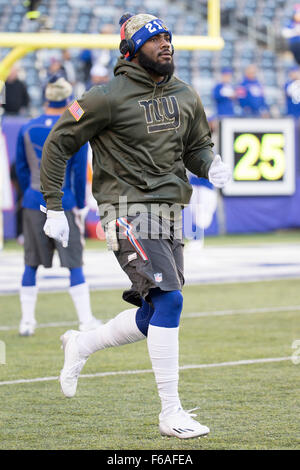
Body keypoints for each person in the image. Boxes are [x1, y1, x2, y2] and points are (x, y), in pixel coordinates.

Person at [40, 13, 231, 439]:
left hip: (169, 212)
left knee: (153, 313)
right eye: (153, 39)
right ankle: (171, 413)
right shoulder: (104, 97)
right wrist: (53, 205)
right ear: (131, 49)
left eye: (167, 37)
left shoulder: (185, 94)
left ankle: (82, 343)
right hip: (125, 208)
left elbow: (196, 146)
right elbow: (58, 143)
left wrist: (210, 164)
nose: (165, 44)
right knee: (171, 302)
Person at [15, 75, 101, 336]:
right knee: (74, 264)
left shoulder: (27, 128)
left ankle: (27, 321)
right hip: (64, 202)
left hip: (33, 200)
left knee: (30, 263)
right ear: (67, 98)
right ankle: (85, 320)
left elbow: (20, 169)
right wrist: (81, 204)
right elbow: (78, 171)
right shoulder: (74, 128)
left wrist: (31, 195)